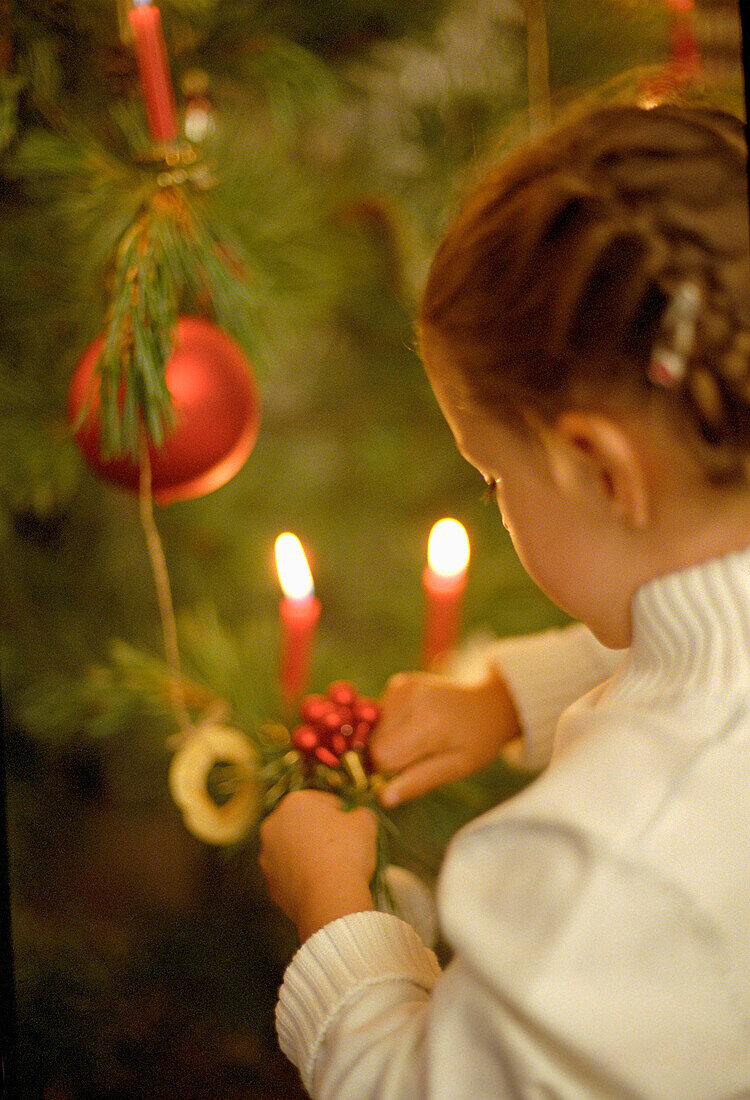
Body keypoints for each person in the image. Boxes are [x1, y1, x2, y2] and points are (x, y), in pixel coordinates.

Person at [258, 103, 750, 1099]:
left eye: (491, 475)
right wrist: (503, 700)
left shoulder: (608, 864)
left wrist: (333, 911)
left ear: (602, 470)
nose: (493, 500)